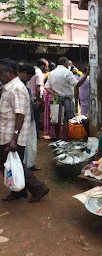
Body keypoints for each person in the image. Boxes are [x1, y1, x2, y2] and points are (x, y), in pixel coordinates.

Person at [0, 58, 49, 202]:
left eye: (1, 73)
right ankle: (17, 192)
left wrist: (14, 138)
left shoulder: (17, 89)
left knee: (15, 165)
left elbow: (20, 115)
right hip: (5, 134)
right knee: (8, 164)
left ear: (9, 72)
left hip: (11, 136)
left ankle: (38, 188)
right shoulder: (8, 87)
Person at [45, 57, 89, 140]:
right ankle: (64, 139)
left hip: (56, 99)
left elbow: (47, 87)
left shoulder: (52, 73)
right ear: (66, 64)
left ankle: (57, 138)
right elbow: (77, 84)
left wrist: (54, 93)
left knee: (55, 119)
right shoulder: (67, 73)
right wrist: (86, 75)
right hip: (66, 99)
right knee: (66, 120)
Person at [18, 63, 41, 171]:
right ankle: (25, 166)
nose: (29, 79)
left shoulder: (23, 85)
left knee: (31, 143)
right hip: (22, 120)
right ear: (23, 73)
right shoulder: (18, 86)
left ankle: (29, 164)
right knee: (23, 144)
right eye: (29, 76)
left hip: (29, 118)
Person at [27, 58, 49, 137]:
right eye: (46, 66)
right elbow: (38, 88)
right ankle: (35, 134)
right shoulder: (39, 73)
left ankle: (31, 134)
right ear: (42, 66)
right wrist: (39, 99)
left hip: (29, 97)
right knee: (36, 117)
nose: (46, 69)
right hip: (35, 99)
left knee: (30, 117)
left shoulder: (31, 70)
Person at [43, 62, 57, 139]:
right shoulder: (51, 75)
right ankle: (53, 134)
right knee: (53, 115)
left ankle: (51, 133)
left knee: (51, 115)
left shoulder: (48, 75)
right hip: (53, 97)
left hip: (49, 96)